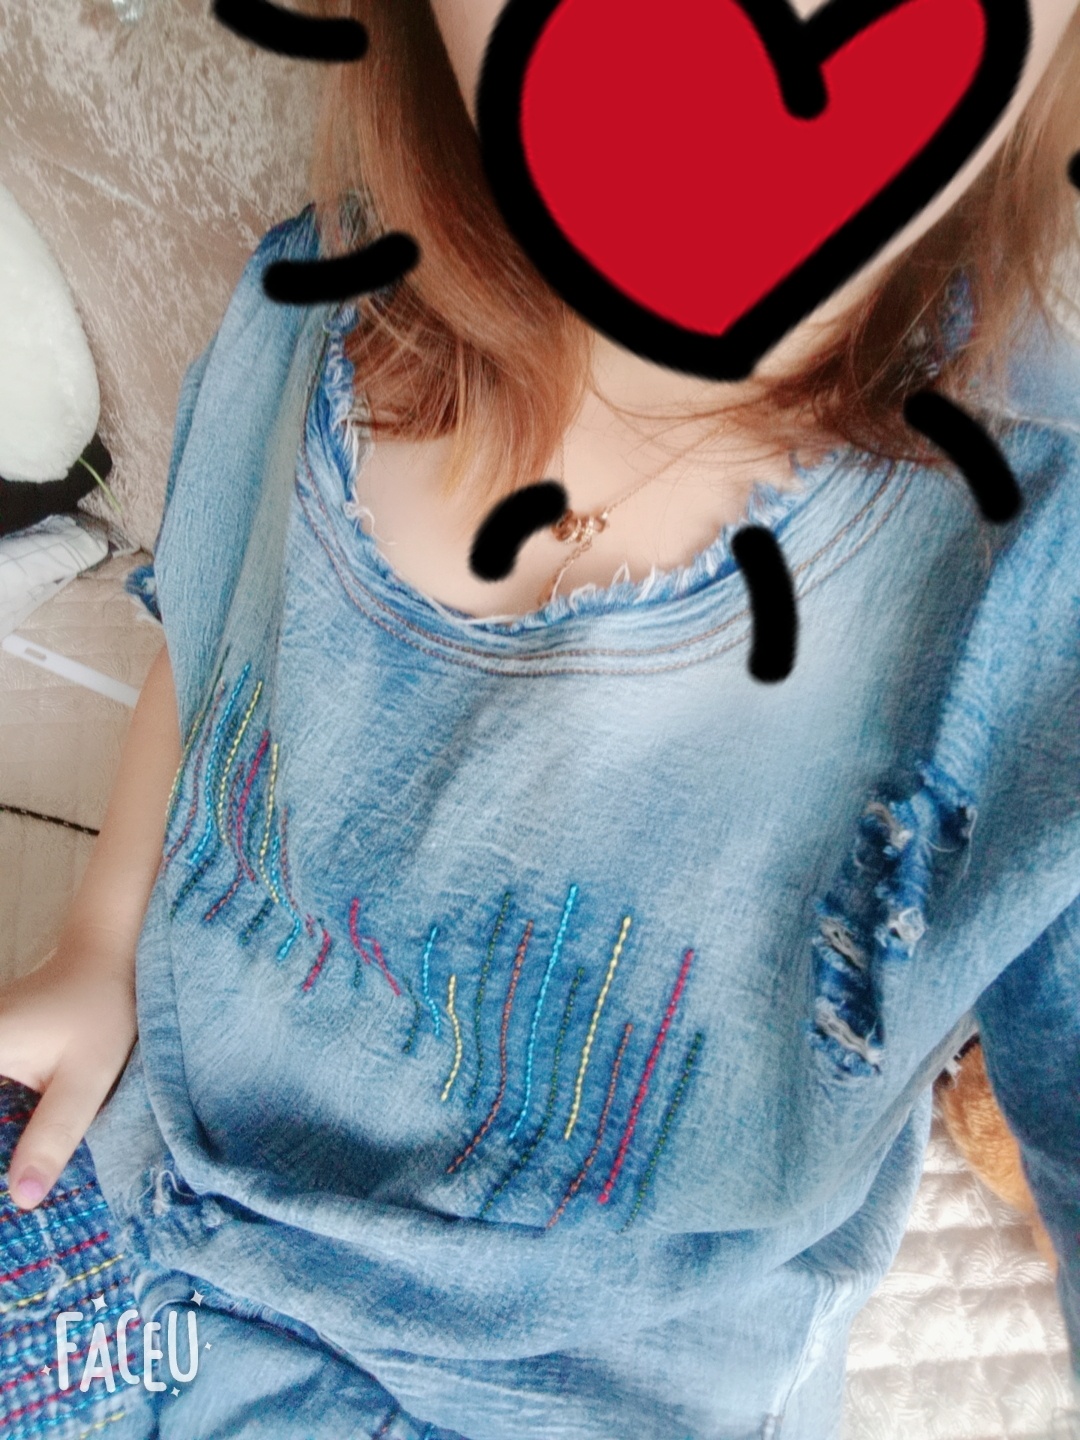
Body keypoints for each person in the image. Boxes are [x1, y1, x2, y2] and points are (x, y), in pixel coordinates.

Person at [1, 0, 1079, 1435]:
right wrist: (98, 943)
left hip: (576, 1392)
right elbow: (211, 647)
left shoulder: (1034, 574)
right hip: (156, 1200)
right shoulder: (319, 297)